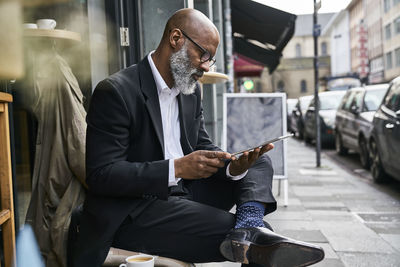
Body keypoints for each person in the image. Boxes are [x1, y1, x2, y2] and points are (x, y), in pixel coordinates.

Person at [70, 8, 324, 267]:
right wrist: (178, 167)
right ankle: (250, 231)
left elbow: (201, 144)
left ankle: (249, 224)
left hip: (184, 194)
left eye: (210, 59)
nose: (205, 66)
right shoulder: (116, 91)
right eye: (203, 54)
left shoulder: (190, 92)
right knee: (262, 244)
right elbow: (102, 176)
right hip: (134, 210)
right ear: (176, 38)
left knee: (259, 163)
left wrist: (232, 166)